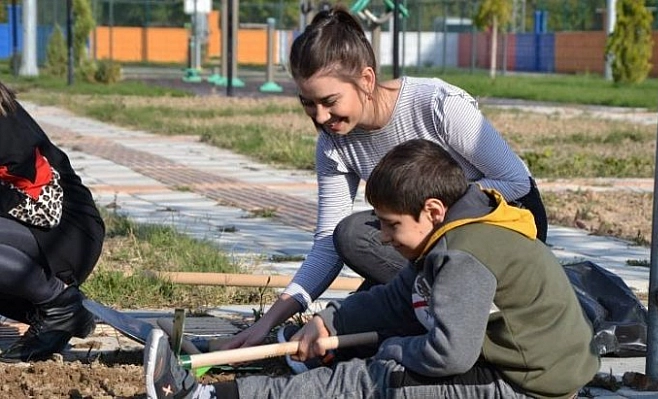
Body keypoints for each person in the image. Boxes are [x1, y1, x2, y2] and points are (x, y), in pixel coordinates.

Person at [144, 139, 598, 399]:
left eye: (390, 225)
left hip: (527, 388)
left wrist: (394, 349)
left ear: (433, 210)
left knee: (368, 379)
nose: (381, 236)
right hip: (520, 370)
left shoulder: (463, 254)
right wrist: (328, 320)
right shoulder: (455, 233)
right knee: (370, 365)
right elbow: (397, 299)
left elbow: (449, 356)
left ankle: (202, 396)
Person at [219, 5, 548, 352]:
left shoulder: (437, 105)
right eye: (308, 104)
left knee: (360, 234)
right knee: (351, 258)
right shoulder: (333, 145)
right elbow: (328, 243)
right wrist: (269, 320)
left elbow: (516, 182)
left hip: (509, 227)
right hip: (433, 243)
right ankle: (405, 319)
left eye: (329, 101)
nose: (321, 116)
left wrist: (428, 213)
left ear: (366, 80)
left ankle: (505, 304)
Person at [0, 81, 105, 362]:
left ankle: (61, 305)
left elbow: (47, 210)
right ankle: (47, 306)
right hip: (29, 238)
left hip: (66, 235)